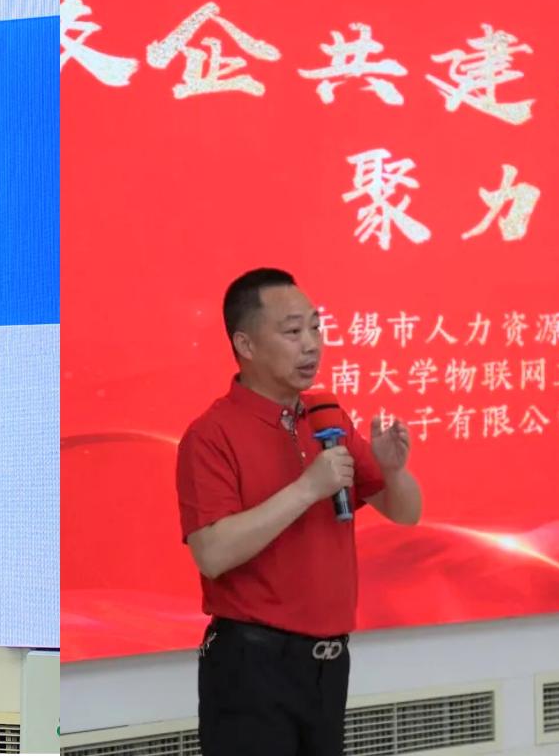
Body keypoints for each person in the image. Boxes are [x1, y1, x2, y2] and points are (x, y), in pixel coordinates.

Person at [176, 267, 422, 756]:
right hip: (251, 668)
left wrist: (393, 472)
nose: (311, 345)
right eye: (292, 332)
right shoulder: (211, 435)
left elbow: (406, 512)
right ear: (246, 345)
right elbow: (212, 553)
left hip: (328, 666)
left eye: (315, 327)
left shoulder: (326, 416)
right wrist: (307, 489)